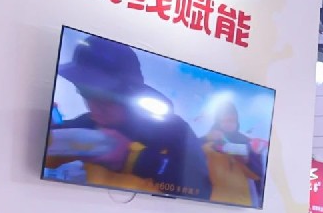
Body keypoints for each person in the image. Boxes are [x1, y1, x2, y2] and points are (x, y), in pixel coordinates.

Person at [42, 33, 212, 201]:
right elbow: (46, 144)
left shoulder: (174, 130)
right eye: (85, 91)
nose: (94, 106)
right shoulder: (87, 123)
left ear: (131, 93)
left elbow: (201, 189)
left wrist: (132, 158)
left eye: (104, 95)